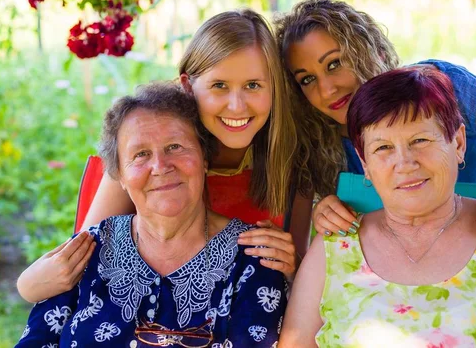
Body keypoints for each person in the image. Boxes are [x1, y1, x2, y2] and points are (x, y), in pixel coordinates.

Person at [280, 67, 476, 347]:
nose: (405, 163)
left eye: (420, 140)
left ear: (457, 143)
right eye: (383, 148)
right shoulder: (334, 249)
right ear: (366, 164)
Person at [17, 9, 310, 304]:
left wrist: (292, 266)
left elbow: (299, 279)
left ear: (275, 88)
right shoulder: (149, 157)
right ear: (187, 85)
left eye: (253, 85)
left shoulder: (291, 159)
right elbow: (78, 265)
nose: (236, 106)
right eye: (219, 85)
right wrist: (26, 286)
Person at [275, 0, 476, 255]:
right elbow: (303, 257)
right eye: (307, 79)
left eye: (335, 64)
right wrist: (326, 213)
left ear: (369, 51)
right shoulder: (318, 142)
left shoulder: (446, 88)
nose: (327, 89)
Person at [16, 82, 287, 348]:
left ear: (204, 158)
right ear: (119, 175)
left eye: (175, 147)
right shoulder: (86, 252)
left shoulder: (253, 258)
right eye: (141, 154)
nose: (160, 166)